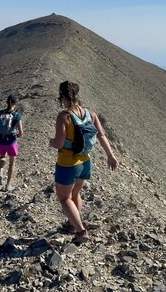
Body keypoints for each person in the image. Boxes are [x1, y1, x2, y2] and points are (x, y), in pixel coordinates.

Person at [49, 81, 118, 243]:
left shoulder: (64, 116)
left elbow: (59, 143)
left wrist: (50, 142)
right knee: (76, 193)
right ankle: (72, 224)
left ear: (63, 97)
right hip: (85, 162)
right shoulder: (90, 114)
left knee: (64, 199)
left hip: (68, 164)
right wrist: (110, 155)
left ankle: (80, 231)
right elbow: (101, 135)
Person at [0, 94, 24, 191]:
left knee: (3, 155)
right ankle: (8, 185)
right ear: (15, 103)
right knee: (12, 162)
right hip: (11, 141)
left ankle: (0, 171)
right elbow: (21, 133)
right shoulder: (17, 115)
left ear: (7, 102)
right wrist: (17, 135)